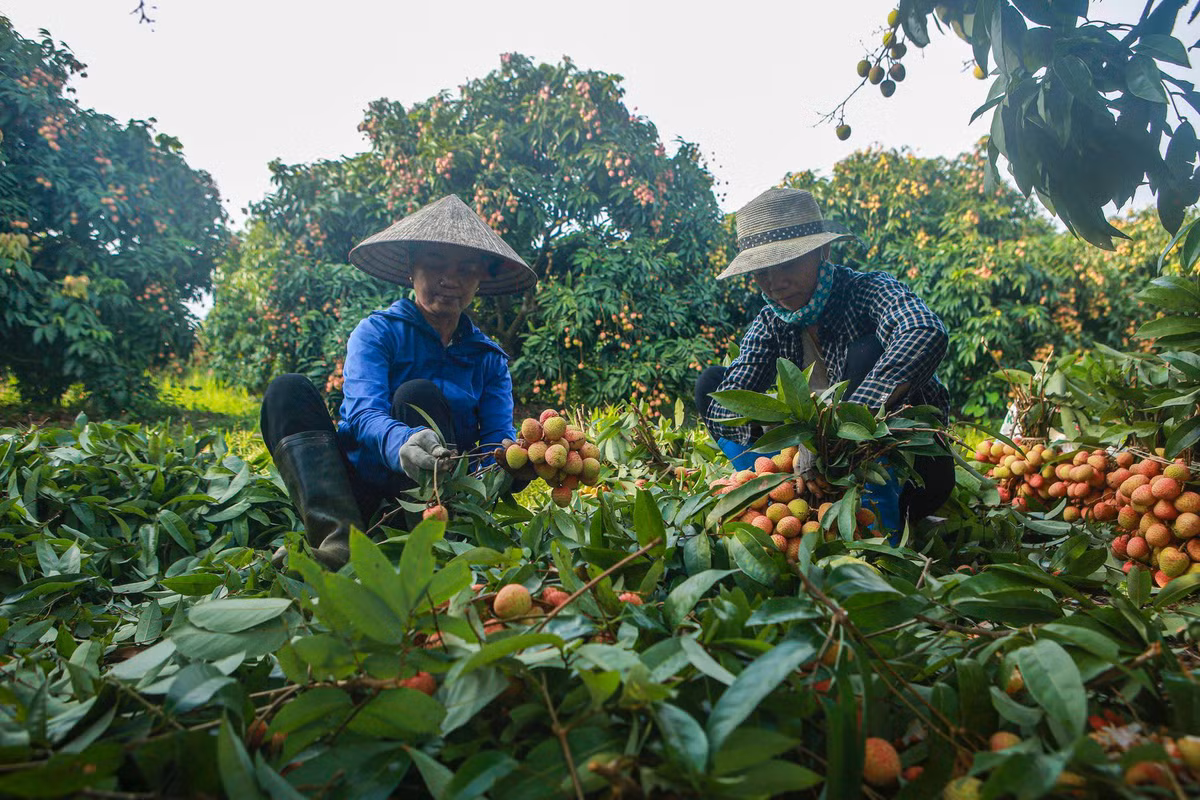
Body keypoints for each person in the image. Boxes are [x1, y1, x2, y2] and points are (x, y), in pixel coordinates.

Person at [259, 195, 537, 569]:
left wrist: (515, 463)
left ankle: (434, 537)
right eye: (435, 262)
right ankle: (339, 540)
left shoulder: (488, 358)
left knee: (417, 395)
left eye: (466, 269)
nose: (449, 279)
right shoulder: (377, 332)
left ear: (480, 280)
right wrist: (400, 441)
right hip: (359, 482)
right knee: (286, 392)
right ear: (411, 268)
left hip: (439, 493)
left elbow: (493, 441)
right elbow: (362, 411)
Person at [694, 187, 954, 528]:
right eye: (761, 273)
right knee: (714, 385)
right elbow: (731, 399)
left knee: (866, 354)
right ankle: (779, 492)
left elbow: (924, 331)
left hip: (903, 467)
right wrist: (797, 436)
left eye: (786, 264)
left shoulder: (868, 290)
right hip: (809, 471)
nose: (774, 284)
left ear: (823, 251)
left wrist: (832, 429)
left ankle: (881, 516)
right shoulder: (772, 321)